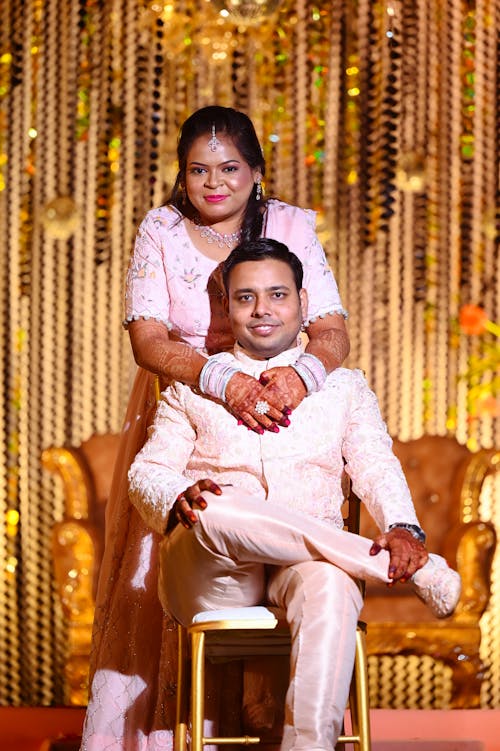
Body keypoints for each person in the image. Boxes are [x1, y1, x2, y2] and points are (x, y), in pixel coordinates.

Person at [81, 106, 350, 750]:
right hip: (187, 408)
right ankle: (172, 734)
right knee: (168, 559)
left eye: (230, 168)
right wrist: (223, 382)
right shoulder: (162, 228)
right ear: (182, 176)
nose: (214, 183)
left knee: (284, 554)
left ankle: (273, 729)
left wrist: (296, 380)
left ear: (255, 173)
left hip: (280, 405)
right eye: (198, 170)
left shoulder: (288, 224)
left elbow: (332, 330)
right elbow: (148, 341)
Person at [128, 239, 461, 751]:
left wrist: (403, 526)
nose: (262, 310)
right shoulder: (191, 389)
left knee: (331, 584)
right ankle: (396, 568)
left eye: (277, 294)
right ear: (227, 306)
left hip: (304, 565)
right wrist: (175, 493)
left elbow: (374, 462)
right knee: (211, 504)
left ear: (304, 303)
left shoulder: (343, 388)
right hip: (213, 573)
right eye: (245, 298)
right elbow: (146, 472)